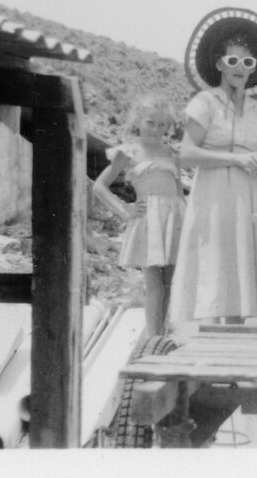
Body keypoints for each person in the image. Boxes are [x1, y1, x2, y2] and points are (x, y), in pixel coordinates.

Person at [170, 8, 257, 325]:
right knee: (216, 269)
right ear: (219, 64)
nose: (240, 68)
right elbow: (187, 154)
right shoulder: (204, 103)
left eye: (248, 62)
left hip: (250, 197)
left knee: (241, 274)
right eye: (232, 60)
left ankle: (235, 346)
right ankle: (211, 346)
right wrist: (236, 159)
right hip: (214, 198)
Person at [91, 96, 184, 336]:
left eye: (162, 125)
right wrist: (125, 211)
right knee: (155, 286)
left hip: (174, 221)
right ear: (137, 122)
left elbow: (178, 193)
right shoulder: (129, 152)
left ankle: (161, 336)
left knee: (169, 284)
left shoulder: (173, 154)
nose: (156, 129)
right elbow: (99, 186)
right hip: (149, 221)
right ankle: (152, 338)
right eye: (150, 122)